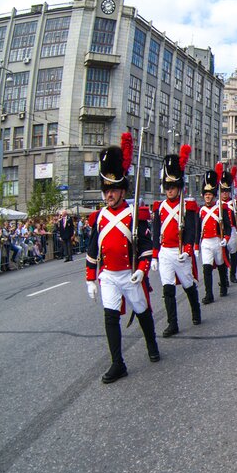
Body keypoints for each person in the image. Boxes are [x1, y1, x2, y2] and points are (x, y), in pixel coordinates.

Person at [85, 133, 159, 383]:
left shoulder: (135, 214)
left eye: (114, 190)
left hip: (130, 275)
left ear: (122, 190)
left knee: (142, 311)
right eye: (106, 190)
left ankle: (152, 344)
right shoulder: (99, 218)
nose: (109, 195)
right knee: (110, 317)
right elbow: (93, 249)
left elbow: (146, 244)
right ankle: (118, 363)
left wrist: (142, 268)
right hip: (108, 276)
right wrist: (90, 278)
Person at [151, 144, 202, 336]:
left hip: (181, 252)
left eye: (172, 186)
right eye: (167, 187)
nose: (169, 190)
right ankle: (173, 323)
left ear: (179, 186)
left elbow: (191, 229)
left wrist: (188, 249)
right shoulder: (159, 207)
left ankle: (195, 311)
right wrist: (155, 255)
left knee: (188, 285)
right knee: (168, 289)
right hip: (165, 252)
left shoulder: (187, 205)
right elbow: (156, 232)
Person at [197, 165, 231, 304]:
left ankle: (223, 285)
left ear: (214, 195)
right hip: (205, 242)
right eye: (206, 195)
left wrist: (226, 238)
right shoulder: (201, 211)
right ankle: (208, 294)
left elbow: (227, 227)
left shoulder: (221, 208)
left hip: (218, 241)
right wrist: (195, 246)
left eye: (210, 194)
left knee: (221, 264)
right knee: (206, 268)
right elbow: (197, 229)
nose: (208, 197)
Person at [220, 166, 237, 283]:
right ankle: (223, 278)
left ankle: (232, 274)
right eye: (223, 191)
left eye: (227, 191)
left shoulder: (235, 204)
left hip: (233, 231)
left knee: (233, 253)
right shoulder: (217, 205)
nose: (225, 193)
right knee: (222, 256)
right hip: (221, 232)